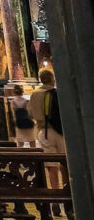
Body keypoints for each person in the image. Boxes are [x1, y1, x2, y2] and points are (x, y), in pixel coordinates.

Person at [27, 69, 67, 199]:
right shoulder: (57, 93)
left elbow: (31, 113)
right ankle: (67, 191)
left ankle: (55, 195)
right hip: (60, 131)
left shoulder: (34, 94)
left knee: (51, 166)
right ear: (52, 78)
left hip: (44, 131)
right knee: (65, 163)